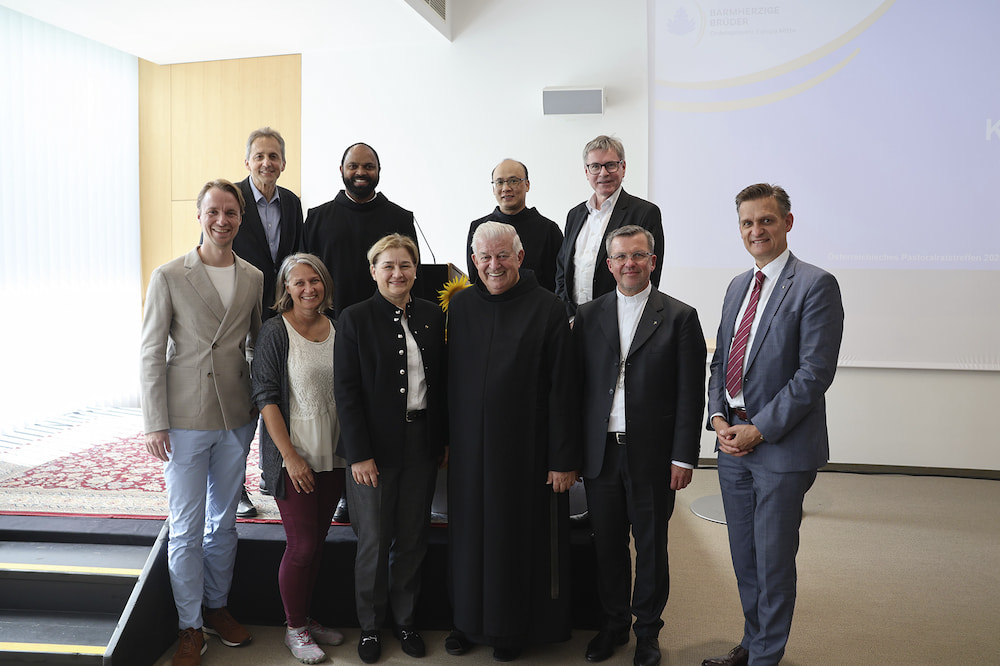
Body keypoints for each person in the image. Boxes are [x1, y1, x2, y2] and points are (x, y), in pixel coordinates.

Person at [702, 184, 844, 666]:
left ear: (787, 222)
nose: (756, 230)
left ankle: (765, 657)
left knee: (773, 560)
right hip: (731, 444)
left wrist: (759, 428)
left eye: (766, 220)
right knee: (744, 557)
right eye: (747, 222)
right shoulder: (737, 286)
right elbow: (720, 361)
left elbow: (813, 374)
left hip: (780, 447)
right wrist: (717, 417)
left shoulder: (815, 284)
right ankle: (753, 643)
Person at [140, 179, 263, 666]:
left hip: (236, 416)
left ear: (240, 218)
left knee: (224, 523)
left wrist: (256, 400)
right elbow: (151, 352)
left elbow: (256, 344)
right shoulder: (169, 275)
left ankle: (216, 607)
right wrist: (155, 421)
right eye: (213, 211)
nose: (222, 220)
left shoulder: (253, 276)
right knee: (187, 527)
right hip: (185, 416)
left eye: (230, 212)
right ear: (199, 216)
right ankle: (189, 626)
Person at [445, 221, 579, 662]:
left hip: (526, 454)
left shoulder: (548, 308)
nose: (493, 265)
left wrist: (563, 458)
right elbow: (449, 380)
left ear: (520, 257)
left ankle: (510, 629)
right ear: (473, 261)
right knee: (469, 541)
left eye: (502, 255)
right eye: (484, 257)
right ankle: (467, 621)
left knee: (512, 540)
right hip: (470, 453)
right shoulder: (461, 306)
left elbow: (563, 388)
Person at [574, 225, 706, 666]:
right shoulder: (588, 315)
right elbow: (578, 388)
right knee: (608, 546)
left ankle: (648, 632)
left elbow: (690, 394)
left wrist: (684, 456)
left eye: (638, 255)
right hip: (601, 454)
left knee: (650, 548)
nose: (629, 263)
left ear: (652, 261)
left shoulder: (680, 316)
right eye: (621, 257)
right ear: (609, 265)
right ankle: (613, 625)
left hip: (652, 455)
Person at [334, 234, 448, 663]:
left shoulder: (433, 315)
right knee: (375, 540)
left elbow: (442, 385)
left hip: (421, 442)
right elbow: (345, 391)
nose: (397, 273)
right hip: (373, 451)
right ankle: (370, 626)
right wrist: (359, 453)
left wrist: (442, 439)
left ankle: (405, 620)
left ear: (416, 270)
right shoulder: (355, 318)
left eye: (405, 265)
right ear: (373, 271)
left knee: (413, 537)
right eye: (388, 266)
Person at [303, 141, 419, 524]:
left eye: (368, 166)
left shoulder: (400, 217)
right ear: (341, 170)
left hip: (384, 330)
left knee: (379, 407)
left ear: (379, 171)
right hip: (330, 328)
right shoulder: (317, 218)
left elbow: (409, 273)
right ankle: (341, 491)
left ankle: (381, 489)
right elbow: (305, 275)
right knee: (339, 408)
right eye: (354, 165)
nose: (361, 172)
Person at [251, 253, 346, 665]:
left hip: (335, 451)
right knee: (302, 545)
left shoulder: (338, 326)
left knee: (317, 543)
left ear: (325, 284)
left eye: (315, 280)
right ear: (286, 289)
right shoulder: (276, 331)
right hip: (295, 453)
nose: (309, 288)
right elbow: (266, 397)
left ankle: (306, 617)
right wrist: (289, 457)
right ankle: (294, 628)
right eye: (299, 282)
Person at [234, 126, 305, 517]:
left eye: (273, 156)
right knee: (245, 401)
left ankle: (268, 474)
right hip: (241, 314)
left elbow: (294, 256)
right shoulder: (232, 197)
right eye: (259, 156)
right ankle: (234, 486)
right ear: (247, 161)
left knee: (275, 395)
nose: (267, 163)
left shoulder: (292, 203)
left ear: (283, 162)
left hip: (279, 313)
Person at [555, 135, 664, 318]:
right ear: (586, 171)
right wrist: (568, 315)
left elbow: (650, 274)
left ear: (623, 167)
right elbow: (562, 270)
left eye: (610, 165)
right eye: (595, 166)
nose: (603, 173)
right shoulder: (575, 215)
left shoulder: (644, 213)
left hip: (619, 320)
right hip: (574, 321)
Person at [466, 159, 563, 292]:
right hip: (489, 304)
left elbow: (557, 282)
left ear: (527, 185)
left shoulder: (548, 230)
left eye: (513, 181)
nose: (506, 188)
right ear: (493, 188)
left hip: (536, 304)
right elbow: (475, 280)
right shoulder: (478, 228)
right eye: (500, 182)